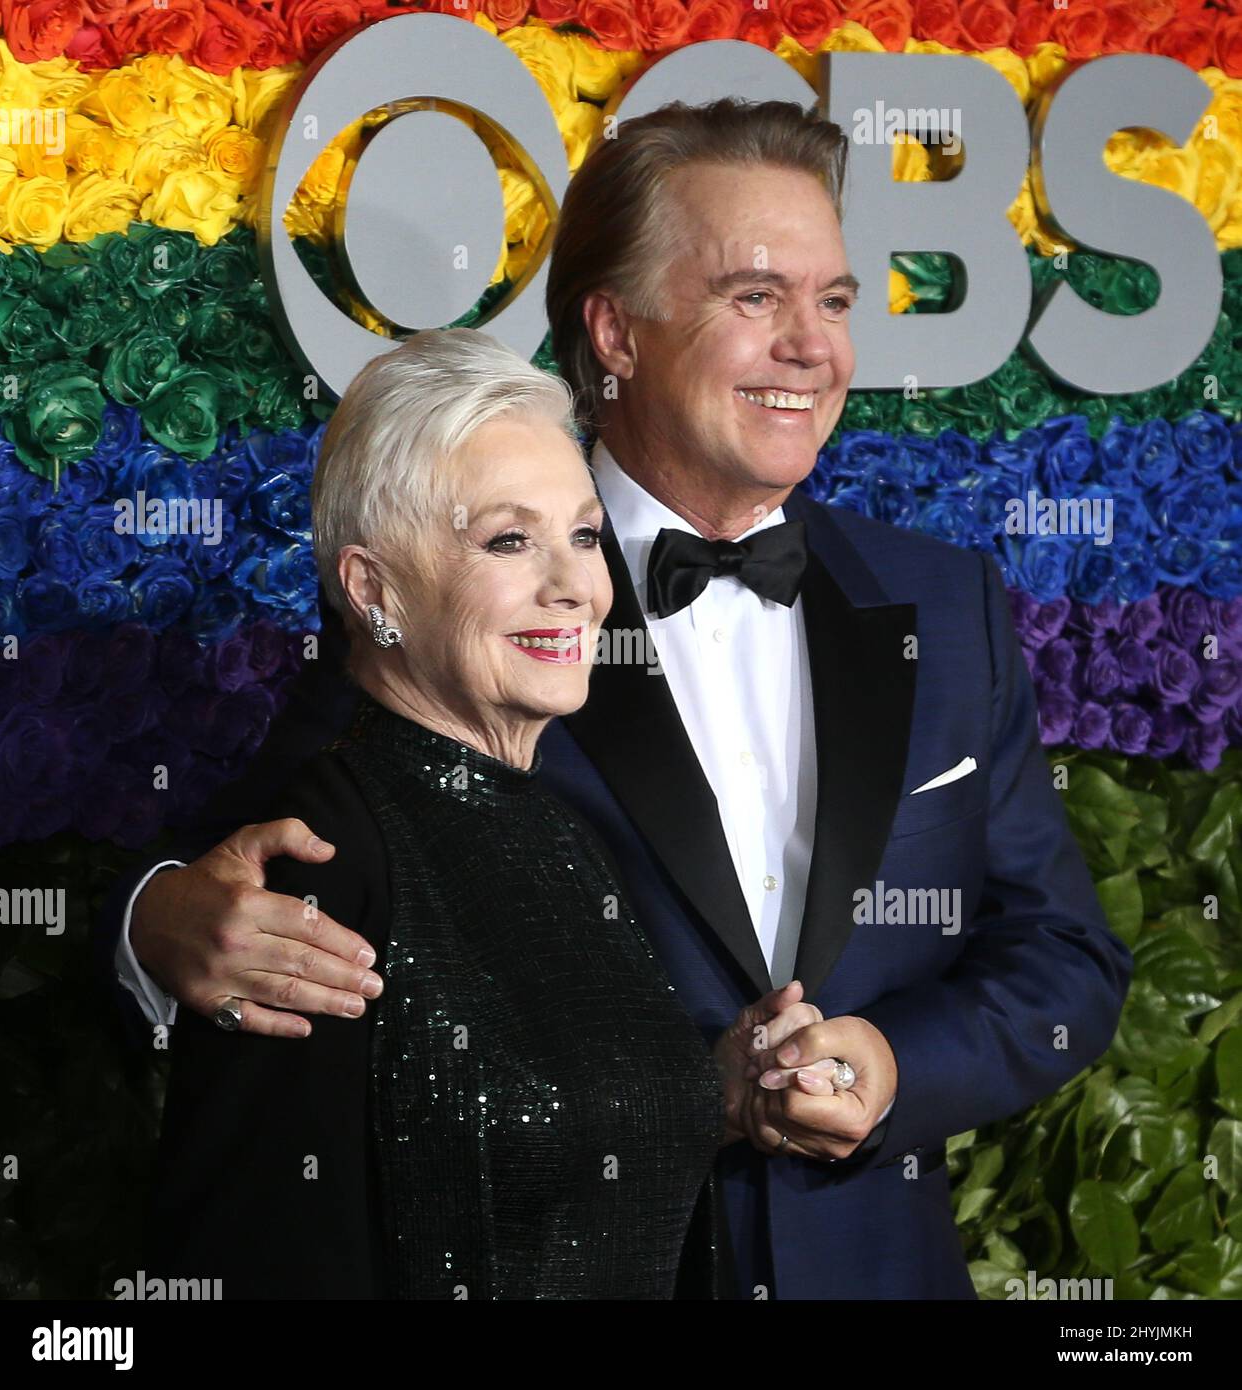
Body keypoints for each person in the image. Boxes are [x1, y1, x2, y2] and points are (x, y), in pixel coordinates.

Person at [104, 99, 1132, 1300]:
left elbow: (1064, 953)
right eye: (755, 297)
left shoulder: (946, 605)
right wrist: (156, 918)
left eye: (836, 301)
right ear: (616, 331)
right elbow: (293, 834)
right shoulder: (488, 598)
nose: (813, 345)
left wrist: (898, 1066)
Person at [147, 328, 807, 1299]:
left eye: (584, 535)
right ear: (374, 592)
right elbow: (257, 1252)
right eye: (508, 539)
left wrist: (714, 1088)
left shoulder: (565, 832)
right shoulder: (318, 861)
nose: (576, 585)